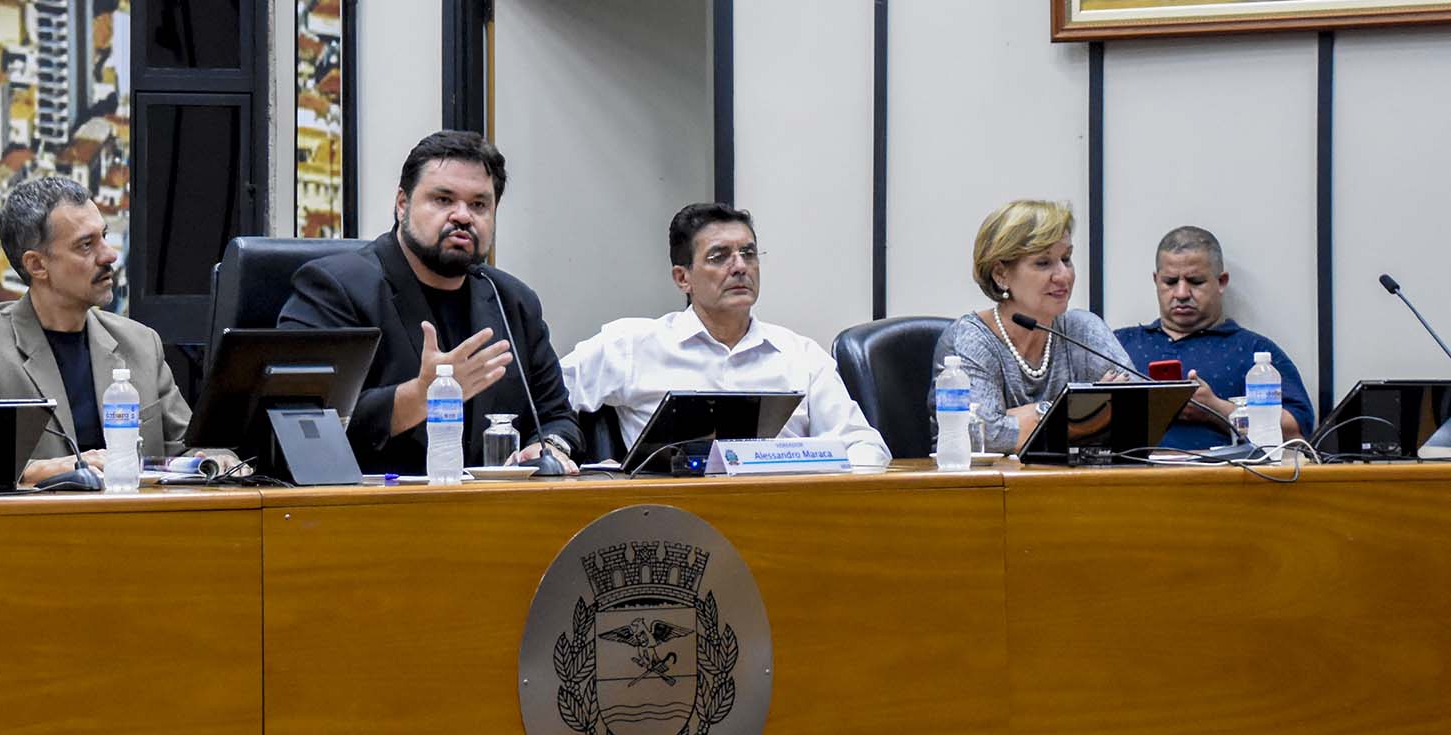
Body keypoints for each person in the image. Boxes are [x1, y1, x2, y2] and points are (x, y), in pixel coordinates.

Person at [279, 129, 580, 475]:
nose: (463, 216)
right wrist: (421, 396)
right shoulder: (334, 287)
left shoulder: (512, 301)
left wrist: (548, 448)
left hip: (495, 514)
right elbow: (301, 422)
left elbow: (557, 417)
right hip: (370, 513)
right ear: (402, 204)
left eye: (479, 204)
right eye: (443, 199)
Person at [561, 203, 887, 464]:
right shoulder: (632, 345)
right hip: (669, 522)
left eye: (748, 253)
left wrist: (820, 466)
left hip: (785, 516)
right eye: (719, 257)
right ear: (682, 278)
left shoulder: (800, 356)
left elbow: (865, 445)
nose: (740, 266)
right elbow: (547, 400)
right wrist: (554, 444)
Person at [0, 173, 190, 484]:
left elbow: (185, 450)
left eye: (104, 236)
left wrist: (213, 457)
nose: (109, 255)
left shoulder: (141, 343)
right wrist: (45, 470)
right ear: (37, 265)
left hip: (141, 526)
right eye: (86, 245)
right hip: (32, 528)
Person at [928, 199, 1132, 455]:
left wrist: (1026, 418)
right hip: (983, 490)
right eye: (1043, 263)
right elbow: (984, 436)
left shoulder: (1083, 329)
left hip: (1075, 485)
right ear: (1000, 274)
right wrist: (1077, 411)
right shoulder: (971, 339)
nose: (1063, 276)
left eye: (1066, 259)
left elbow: (1136, 413)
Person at [1115, 226, 1313, 450]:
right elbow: (1076, 423)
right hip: (1129, 479)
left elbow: (1296, 431)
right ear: (1155, 280)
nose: (1181, 293)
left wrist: (1216, 409)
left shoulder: (1255, 354)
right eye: (1170, 282)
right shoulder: (1120, 346)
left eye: (1195, 282)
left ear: (1221, 282)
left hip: (1223, 480)